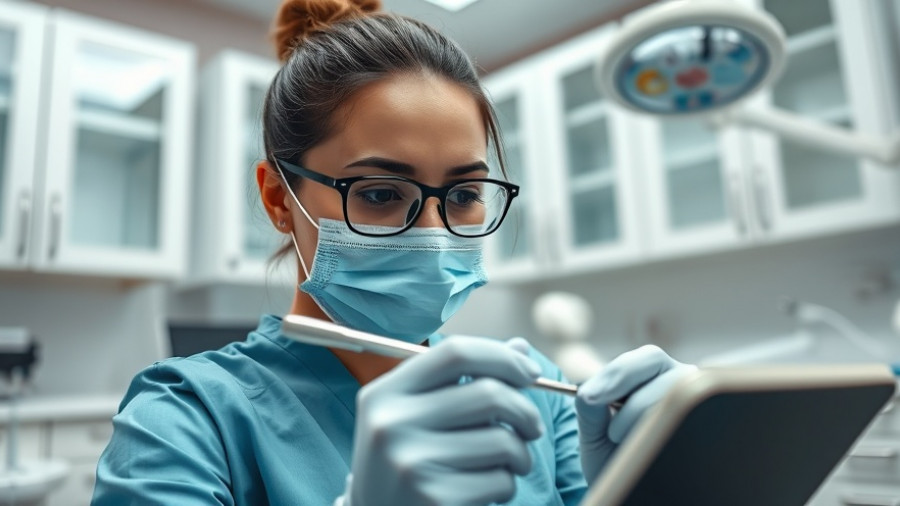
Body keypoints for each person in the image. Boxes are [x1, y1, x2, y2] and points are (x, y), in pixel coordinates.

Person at [91, 1, 694, 504]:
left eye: (463, 194)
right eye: (380, 192)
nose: (434, 232)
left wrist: (662, 481)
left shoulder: (538, 394)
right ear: (279, 199)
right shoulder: (185, 419)